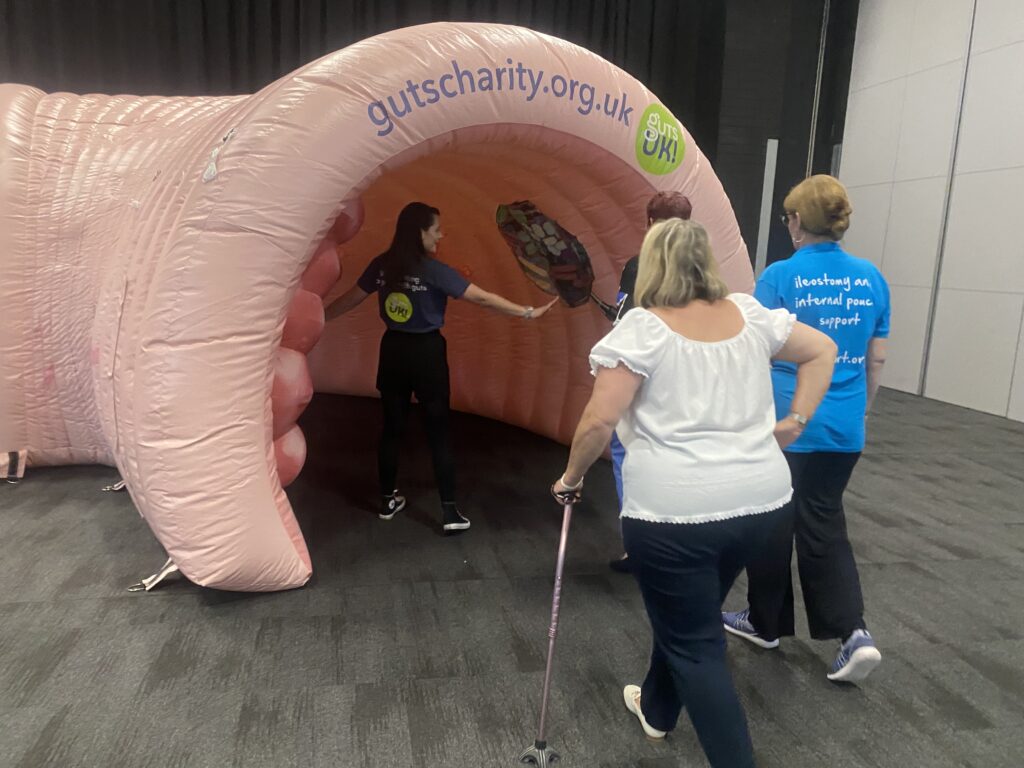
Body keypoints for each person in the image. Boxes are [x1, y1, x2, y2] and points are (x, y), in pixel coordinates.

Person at [551, 218, 836, 766]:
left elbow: (597, 423)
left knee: (696, 645)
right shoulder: (750, 315)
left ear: (653, 264)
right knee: (690, 615)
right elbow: (822, 350)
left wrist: (569, 480)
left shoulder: (643, 328)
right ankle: (658, 709)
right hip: (762, 507)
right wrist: (795, 420)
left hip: (675, 514)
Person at [722, 174, 890, 683]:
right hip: (843, 427)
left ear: (797, 221)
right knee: (824, 521)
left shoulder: (780, 276)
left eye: (788, 217)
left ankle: (764, 621)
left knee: (772, 523)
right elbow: (877, 358)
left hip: (786, 422)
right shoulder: (872, 278)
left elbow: (759, 348)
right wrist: (862, 409)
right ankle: (853, 633)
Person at [326, 202, 556, 534]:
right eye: (436, 230)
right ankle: (449, 514)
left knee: (392, 428)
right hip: (426, 353)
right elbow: (484, 298)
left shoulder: (383, 265)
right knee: (438, 433)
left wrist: (320, 317)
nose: (440, 235)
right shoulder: (434, 270)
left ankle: (387, 502)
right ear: (420, 232)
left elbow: (351, 298)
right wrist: (526, 312)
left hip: (393, 350)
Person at [607, 191, 693, 574]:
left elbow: (624, 323)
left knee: (626, 453)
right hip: (686, 376)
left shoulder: (638, 265)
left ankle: (638, 548)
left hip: (644, 375)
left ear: (650, 224)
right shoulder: (700, 268)